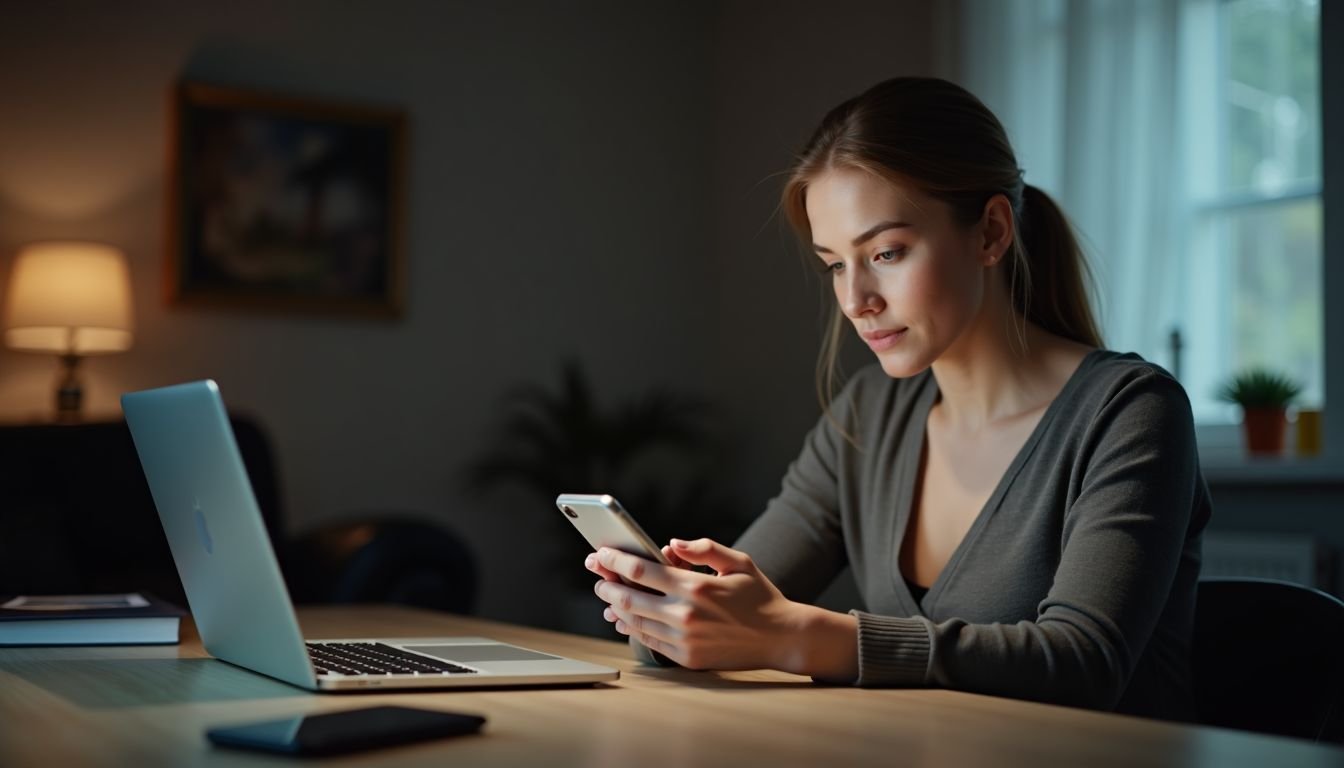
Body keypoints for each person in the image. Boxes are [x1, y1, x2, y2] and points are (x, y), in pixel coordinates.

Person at [584, 76, 1210, 721]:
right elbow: (712, 624)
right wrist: (672, 614)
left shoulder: (1131, 411)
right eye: (834, 263)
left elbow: (1083, 664)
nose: (857, 300)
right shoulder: (868, 414)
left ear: (991, 232)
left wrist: (795, 635)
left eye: (886, 252)